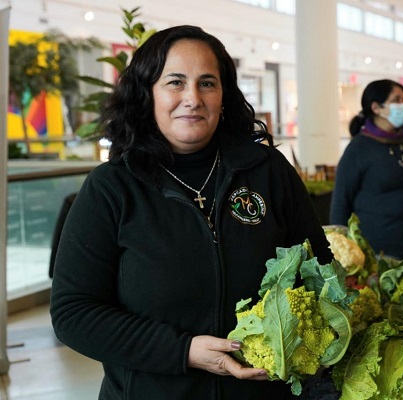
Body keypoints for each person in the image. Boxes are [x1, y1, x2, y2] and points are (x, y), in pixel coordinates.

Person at [49, 25, 333, 400]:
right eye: (175, 82)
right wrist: (184, 351)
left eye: (207, 83)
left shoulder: (268, 171)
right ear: (147, 93)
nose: (192, 98)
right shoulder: (112, 188)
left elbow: (321, 271)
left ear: (224, 96)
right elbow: (74, 313)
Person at [330, 79, 403, 265]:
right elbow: (341, 201)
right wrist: (341, 248)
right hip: (377, 252)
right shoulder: (359, 148)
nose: (402, 105)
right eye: (396, 100)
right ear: (376, 108)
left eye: (402, 99)